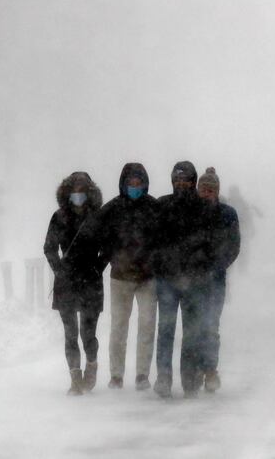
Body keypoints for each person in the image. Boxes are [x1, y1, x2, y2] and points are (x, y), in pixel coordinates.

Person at [96, 163, 159, 391]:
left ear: (145, 183)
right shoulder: (111, 208)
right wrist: (109, 256)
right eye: (131, 183)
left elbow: (163, 239)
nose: (135, 186)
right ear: (123, 183)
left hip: (148, 279)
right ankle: (116, 375)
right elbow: (98, 235)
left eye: (138, 182)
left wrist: (155, 261)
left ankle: (142, 374)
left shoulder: (154, 207)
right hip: (120, 278)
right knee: (119, 327)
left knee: (147, 325)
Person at [153, 161, 214, 398]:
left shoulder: (204, 209)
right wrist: (159, 264)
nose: (181, 185)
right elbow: (153, 241)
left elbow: (212, 244)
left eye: (186, 181)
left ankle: (189, 380)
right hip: (167, 280)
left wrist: (201, 266)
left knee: (191, 332)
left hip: (195, 282)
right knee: (166, 330)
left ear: (193, 181)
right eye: (177, 180)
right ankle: (164, 378)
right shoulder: (162, 205)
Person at [43, 172, 105, 396]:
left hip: (91, 281)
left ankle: (92, 363)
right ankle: (75, 378)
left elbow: (108, 247)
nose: (78, 194)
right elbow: (49, 247)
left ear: (89, 192)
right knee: (70, 333)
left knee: (88, 333)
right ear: (67, 192)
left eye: (82, 190)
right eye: (74, 190)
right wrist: (59, 269)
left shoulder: (98, 217)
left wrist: (98, 267)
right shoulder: (59, 217)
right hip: (66, 283)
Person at [197, 168, 240, 392]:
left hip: (215, 280)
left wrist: (216, 266)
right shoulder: (190, 213)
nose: (206, 193)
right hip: (191, 280)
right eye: (203, 189)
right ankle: (194, 370)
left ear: (217, 191)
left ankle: (210, 370)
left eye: (210, 189)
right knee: (193, 327)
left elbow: (233, 247)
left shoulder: (228, 214)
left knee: (211, 326)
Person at [226, 185, 260, 272]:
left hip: (241, 231)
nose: (233, 194)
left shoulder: (238, 203)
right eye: (232, 192)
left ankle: (242, 271)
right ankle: (236, 270)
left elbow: (248, 217)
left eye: (234, 192)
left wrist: (251, 228)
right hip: (233, 232)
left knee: (241, 251)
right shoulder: (229, 202)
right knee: (234, 251)